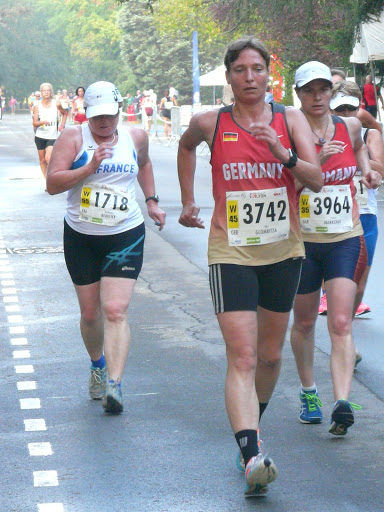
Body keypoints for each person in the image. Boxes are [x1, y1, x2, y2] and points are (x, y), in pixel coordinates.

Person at [177, 37, 323, 496]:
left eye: (257, 69)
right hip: (230, 251)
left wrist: (282, 152)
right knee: (242, 354)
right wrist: (187, 200)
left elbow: (316, 179)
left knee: (270, 356)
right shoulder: (210, 122)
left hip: (283, 251)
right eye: (240, 70)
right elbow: (184, 147)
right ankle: (250, 455)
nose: (250, 78)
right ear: (229, 77)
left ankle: (250, 431)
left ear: (269, 74)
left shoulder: (291, 118)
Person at [46, 81, 166, 414]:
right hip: (81, 235)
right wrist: (88, 168)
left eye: (109, 116)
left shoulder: (135, 137)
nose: (103, 123)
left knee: (115, 310)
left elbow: (144, 164)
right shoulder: (73, 138)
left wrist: (152, 201)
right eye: (96, 117)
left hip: (124, 233)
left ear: (119, 110)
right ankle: (98, 364)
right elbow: (52, 183)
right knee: (89, 313)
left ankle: (114, 384)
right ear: (87, 115)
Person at [290, 61, 381, 435]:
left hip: (345, 235)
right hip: (303, 242)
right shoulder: (291, 133)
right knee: (307, 322)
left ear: (331, 91)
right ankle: (309, 391)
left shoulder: (349, 125)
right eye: (309, 90)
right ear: (298, 94)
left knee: (342, 322)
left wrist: (366, 171)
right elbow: (283, 191)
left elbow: (360, 148)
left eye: (323, 89)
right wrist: (316, 164)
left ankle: (342, 402)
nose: (317, 97)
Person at [330, 81, 384, 357]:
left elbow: (381, 169)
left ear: (359, 109)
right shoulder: (325, 134)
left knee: (359, 283)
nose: (346, 114)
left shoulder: (369, 134)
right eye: (340, 109)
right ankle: (343, 339)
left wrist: (356, 153)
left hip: (365, 215)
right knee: (339, 281)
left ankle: (345, 332)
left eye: (351, 109)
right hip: (336, 216)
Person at [33, 83, 68, 181]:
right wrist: (43, 122)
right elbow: (34, 123)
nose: (46, 92)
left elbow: (65, 113)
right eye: (44, 90)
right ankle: (47, 181)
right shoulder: (37, 105)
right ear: (41, 93)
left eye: (48, 90)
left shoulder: (56, 103)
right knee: (42, 160)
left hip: (52, 136)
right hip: (40, 136)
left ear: (51, 92)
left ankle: (54, 177)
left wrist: (62, 125)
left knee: (48, 158)